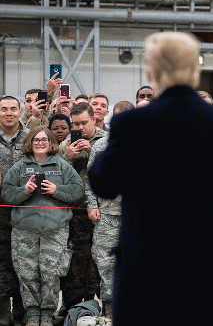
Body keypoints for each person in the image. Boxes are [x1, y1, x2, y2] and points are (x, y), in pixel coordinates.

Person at [87, 31, 213, 326]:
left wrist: (117, 140)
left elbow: (103, 183)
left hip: (147, 273)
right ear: (195, 70)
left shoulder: (133, 124)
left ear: (150, 71)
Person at [1, 126, 84, 326]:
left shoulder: (62, 165)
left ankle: (46, 314)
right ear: (30, 143)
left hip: (55, 231)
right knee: (27, 274)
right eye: (36, 139)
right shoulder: (19, 167)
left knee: (51, 273)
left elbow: (78, 191)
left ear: (51, 143)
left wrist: (57, 189)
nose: (40, 143)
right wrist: (24, 190)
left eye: (44, 140)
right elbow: (6, 194)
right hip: (24, 231)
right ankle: (32, 314)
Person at [84, 102, 135, 319]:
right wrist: (92, 205)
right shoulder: (102, 146)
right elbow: (90, 180)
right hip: (106, 215)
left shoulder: (148, 144)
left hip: (136, 216)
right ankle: (108, 310)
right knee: (105, 263)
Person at [59, 103, 107, 312]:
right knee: (76, 263)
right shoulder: (65, 144)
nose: (80, 128)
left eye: (84, 123)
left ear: (94, 120)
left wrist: (92, 156)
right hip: (75, 211)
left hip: (103, 210)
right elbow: (56, 175)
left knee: (102, 262)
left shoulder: (105, 141)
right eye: (75, 124)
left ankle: (105, 306)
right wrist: (67, 156)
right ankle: (73, 308)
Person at [0, 96, 29, 325]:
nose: (8, 113)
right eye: (3, 109)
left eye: (12, 109)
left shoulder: (31, 137)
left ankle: (21, 304)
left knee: (22, 259)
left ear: (20, 111)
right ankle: (3, 310)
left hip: (25, 208)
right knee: (1, 259)